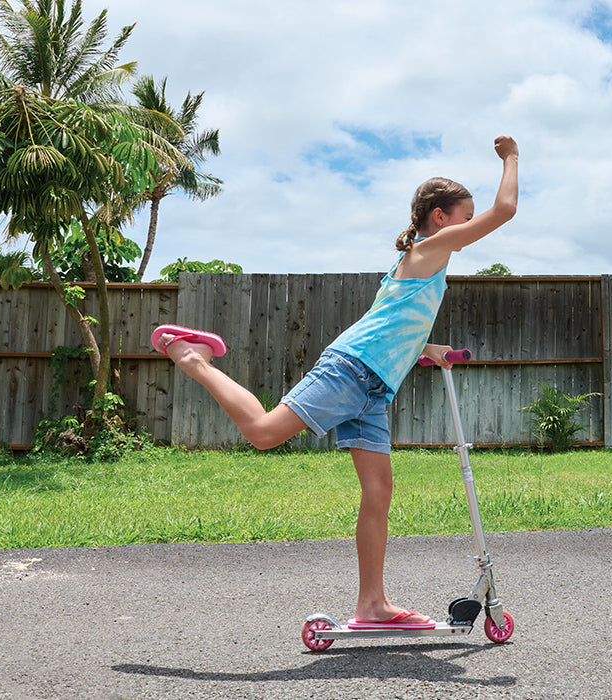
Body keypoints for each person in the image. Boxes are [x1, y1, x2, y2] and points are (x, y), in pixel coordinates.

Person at [154, 135, 519, 629]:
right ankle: (192, 357)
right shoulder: (433, 248)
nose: (469, 223)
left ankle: (372, 605)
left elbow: (393, 324)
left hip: (373, 386)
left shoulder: (423, 262)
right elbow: (505, 210)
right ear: (440, 216)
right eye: (464, 214)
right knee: (263, 433)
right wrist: (511, 157)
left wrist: (428, 349)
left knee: (379, 492)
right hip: (350, 369)